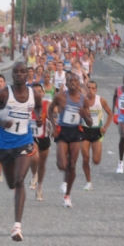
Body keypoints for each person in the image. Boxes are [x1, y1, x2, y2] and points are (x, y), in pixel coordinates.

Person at [0, 62, 42, 241]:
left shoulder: (34, 94)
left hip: (24, 141)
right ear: (12, 75)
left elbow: (38, 106)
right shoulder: (4, 94)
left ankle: (17, 226)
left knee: (19, 179)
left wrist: (38, 117)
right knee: (11, 184)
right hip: (4, 145)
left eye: (23, 72)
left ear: (27, 75)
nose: (20, 74)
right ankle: (17, 216)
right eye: (16, 72)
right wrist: (0, 123)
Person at [48, 73, 92, 207]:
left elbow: (90, 123)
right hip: (62, 131)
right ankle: (65, 174)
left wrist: (84, 115)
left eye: (75, 80)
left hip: (75, 132)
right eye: (70, 80)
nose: (73, 82)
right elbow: (50, 110)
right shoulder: (60, 96)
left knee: (72, 165)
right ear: (66, 83)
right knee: (62, 165)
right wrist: (53, 126)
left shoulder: (84, 100)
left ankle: (67, 195)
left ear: (79, 83)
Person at [81, 81, 113, 190]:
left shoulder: (101, 100)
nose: (90, 90)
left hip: (97, 132)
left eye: (93, 88)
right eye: (88, 88)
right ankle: (88, 182)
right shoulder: (81, 100)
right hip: (84, 131)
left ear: (96, 90)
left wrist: (105, 127)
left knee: (96, 160)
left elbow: (110, 113)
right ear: (85, 89)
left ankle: (92, 166)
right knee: (85, 157)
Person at [29, 83, 51, 201]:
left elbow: (55, 112)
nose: (37, 93)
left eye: (39, 91)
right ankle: (33, 174)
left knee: (42, 164)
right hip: (31, 137)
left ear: (43, 93)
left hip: (44, 137)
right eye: (34, 91)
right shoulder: (27, 105)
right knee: (34, 157)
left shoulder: (47, 105)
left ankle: (40, 187)